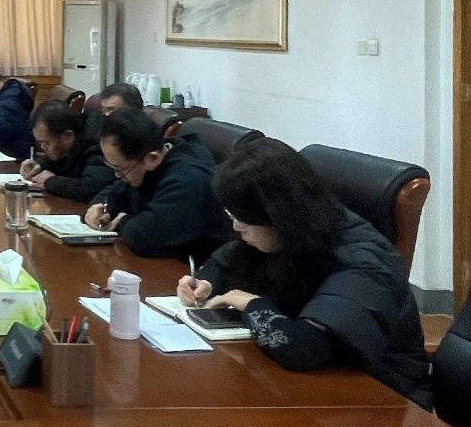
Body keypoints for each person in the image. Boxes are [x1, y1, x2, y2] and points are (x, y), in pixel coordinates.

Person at [178, 138, 432, 408]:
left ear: (276, 214)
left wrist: (252, 304)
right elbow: (227, 258)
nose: (237, 228)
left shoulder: (363, 262)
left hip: (379, 402)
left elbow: (304, 349)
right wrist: (207, 281)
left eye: (243, 219)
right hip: (316, 386)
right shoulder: (298, 229)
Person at [84, 107, 230, 261]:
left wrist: (122, 221)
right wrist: (104, 208)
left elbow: (144, 237)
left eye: (120, 169)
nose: (117, 176)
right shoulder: (149, 159)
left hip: (195, 267)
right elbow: (119, 193)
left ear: (152, 159)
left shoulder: (187, 180)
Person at [19, 100, 113, 202]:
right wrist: (39, 165)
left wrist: (50, 181)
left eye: (46, 143)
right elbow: (59, 161)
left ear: (68, 136)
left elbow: (92, 188)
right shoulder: (66, 147)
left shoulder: (96, 147)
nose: (42, 147)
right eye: (40, 142)